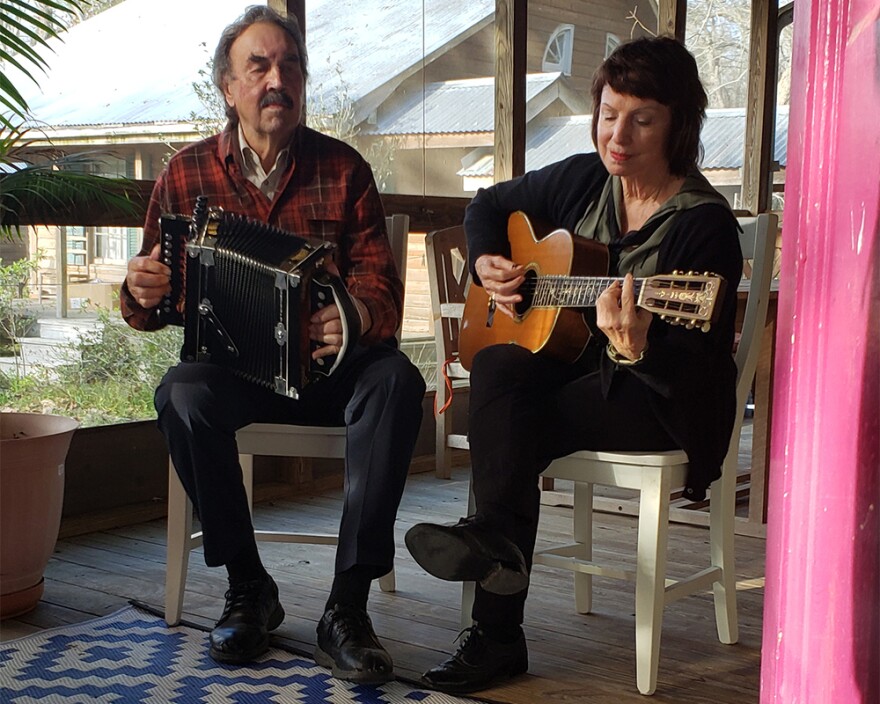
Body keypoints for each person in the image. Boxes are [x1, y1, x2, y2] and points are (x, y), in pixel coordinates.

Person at [405, 35, 743, 694]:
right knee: (501, 366)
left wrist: (640, 344)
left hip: (659, 401)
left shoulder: (703, 226)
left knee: (514, 422)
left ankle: (496, 620)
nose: (617, 134)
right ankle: (495, 550)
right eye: (609, 112)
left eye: (642, 119)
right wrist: (484, 262)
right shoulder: (587, 178)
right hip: (572, 372)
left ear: (678, 125)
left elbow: (702, 368)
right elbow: (488, 205)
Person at [121, 5, 425, 685]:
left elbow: (383, 295)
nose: (276, 78)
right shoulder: (185, 173)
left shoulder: (344, 170)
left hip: (328, 376)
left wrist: (346, 317)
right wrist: (139, 291)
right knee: (180, 391)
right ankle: (249, 587)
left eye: (289, 65)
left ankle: (346, 608)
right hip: (239, 378)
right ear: (228, 88)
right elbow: (154, 303)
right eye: (258, 66)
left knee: (399, 381)